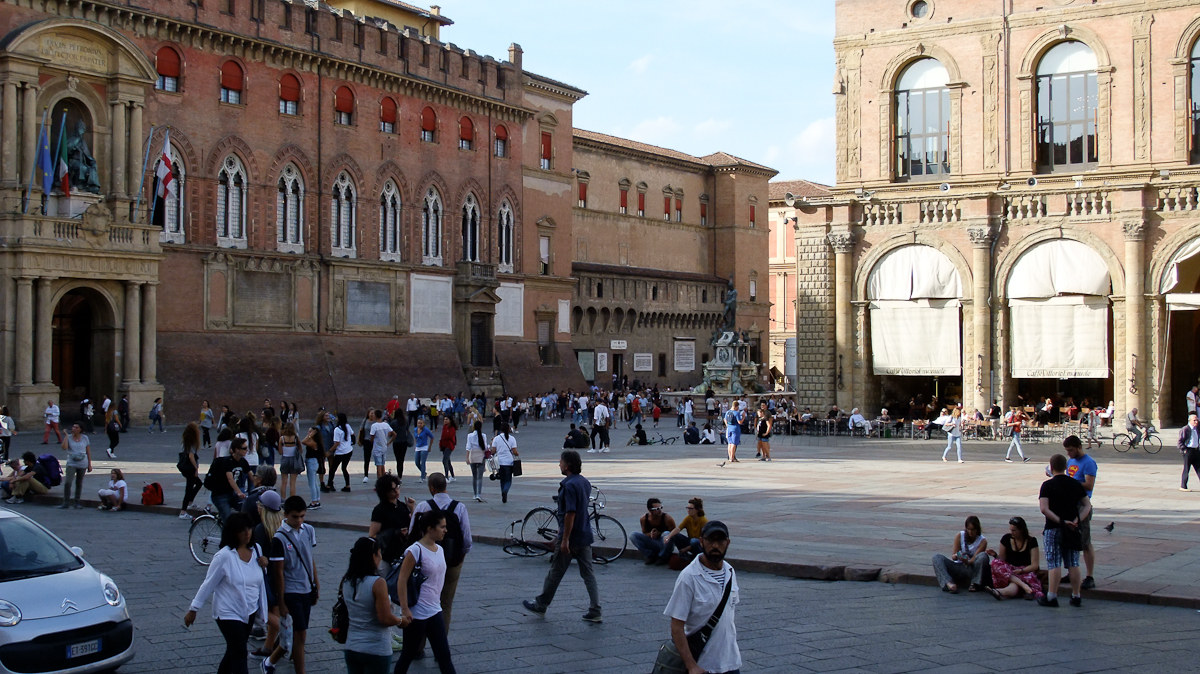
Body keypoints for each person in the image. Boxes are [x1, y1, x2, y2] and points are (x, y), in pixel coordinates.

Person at [522, 450, 601, 622]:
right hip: (585, 535)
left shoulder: (568, 485)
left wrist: (564, 539)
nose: (559, 464)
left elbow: (570, 513)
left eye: (561, 461)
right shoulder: (584, 482)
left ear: (567, 465)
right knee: (588, 574)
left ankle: (541, 604)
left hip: (571, 537)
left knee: (555, 572)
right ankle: (595, 609)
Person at [185, 512, 266, 674]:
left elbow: (258, 581)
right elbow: (208, 584)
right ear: (233, 532)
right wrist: (193, 609)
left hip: (249, 610)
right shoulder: (224, 556)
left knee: (233, 650)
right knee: (240, 652)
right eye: (242, 530)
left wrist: (265, 565)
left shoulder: (257, 550)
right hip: (227, 612)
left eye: (249, 529)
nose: (247, 533)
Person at [663, 520, 741, 674]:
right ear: (701, 542)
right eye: (710, 540)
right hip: (702, 666)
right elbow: (676, 626)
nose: (715, 546)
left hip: (731, 663)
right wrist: (691, 666)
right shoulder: (689, 577)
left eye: (720, 541)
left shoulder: (730, 571)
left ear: (728, 543)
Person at [394, 511, 457, 674]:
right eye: (442, 527)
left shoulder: (440, 549)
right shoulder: (415, 550)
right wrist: (405, 609)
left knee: (444, 655)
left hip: (435, 609)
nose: (445, 530)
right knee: (408, 654)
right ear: (430, 528)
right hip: (417, 612)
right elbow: (402, 580)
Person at [409, 473, 471, 631]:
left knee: (422, 601)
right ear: (446, 486)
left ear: (431, 488)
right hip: (452, 561)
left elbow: (412, 534)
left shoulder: (423, 506)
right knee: (446, 603)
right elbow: (467, 539)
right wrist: (461, 557)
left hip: (426, 562)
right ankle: (441, 639)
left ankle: (420, 641)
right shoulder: (459, 507)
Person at [264, 496, 318, 674]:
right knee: (300, 633)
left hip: (306, 588)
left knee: (298, 634)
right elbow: (278, 572)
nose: (299, 520)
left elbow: (310, 559)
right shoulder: (279, 538)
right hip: (291, 591)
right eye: (295, 516)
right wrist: (281, 602)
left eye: (302, 516)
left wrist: (315, 584)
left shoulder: (308, 530)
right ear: (285, 515)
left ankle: (270, 661)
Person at [339, 537, 403, 674]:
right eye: (379, 553)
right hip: (376, 648)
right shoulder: (378, 583)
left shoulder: (346, 581)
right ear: (373, 556)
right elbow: (384, 618)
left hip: (352, 646)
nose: (381, 557)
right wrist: (401, 620)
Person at [1038, 453, 1092, 607]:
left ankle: (1052, 596)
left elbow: (1044, 508)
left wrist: (1060, 521)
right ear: (1066, 467)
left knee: (1054, 563)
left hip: (1053, 527)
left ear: (1051, 467)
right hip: (1072, 529)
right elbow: (1087, 505)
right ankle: (1076, 595)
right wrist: (1077, 520)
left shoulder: (1047, 485)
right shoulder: (1075, 484)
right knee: (1073, 562)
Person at [1064, 434, 1099, 590]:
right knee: (1069, 541)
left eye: (1071, 450)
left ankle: (1090, 576)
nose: (1069, 453)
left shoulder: (1088, 463)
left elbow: (1089, 485)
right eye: (1067, 451)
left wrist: (1071, 482)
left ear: (1079, 447)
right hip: (1070, 504)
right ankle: (1072, 570)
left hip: (1082, 505)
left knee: (1085, 541)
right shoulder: (1070, 461)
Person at [986, 516, 1043, 600]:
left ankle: (999, 592)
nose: (1012, 533)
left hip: (1024, 572)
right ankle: (1024, 586)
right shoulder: (1006, 539)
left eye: (1014, 530)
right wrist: (995, 555)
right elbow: (1002, 560)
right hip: (1010, 571)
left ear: (1021, 530)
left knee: (1014, 584)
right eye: (1011, 530)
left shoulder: (1031, 541)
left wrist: (1022, 570)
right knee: (995, 562)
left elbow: (1034, 565)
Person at [931, 515, 990, 593]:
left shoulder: (982, 541)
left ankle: (975, 583)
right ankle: (949, 584)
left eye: (973, 530)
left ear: (977, 529)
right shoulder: (960, 535)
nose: (970, 532)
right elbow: (954, 555)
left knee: (983, 556)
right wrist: (957, 556)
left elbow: (974, 559)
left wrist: (967, 561)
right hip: (957, 566)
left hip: (971, 569)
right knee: (937, 557)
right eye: (968, 529)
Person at [367, 474, 413, 563]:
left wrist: (412, 509)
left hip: (404, 552)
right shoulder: (379, 510)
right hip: (387, 555)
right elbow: (372, 535)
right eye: (392, 490)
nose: (396, 491)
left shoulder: (402, 506)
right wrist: (395, 533)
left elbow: (413, 525)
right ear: (385, 492)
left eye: (397, 487)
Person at [210, 438, 251, 523]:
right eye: (244, 448)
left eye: (247, 448)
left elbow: (252, 476)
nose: (246, 450)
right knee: (228, 520)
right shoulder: (227, 462)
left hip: (232, 494)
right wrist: (239, 492)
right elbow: (230, 478)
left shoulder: (243, 461)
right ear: (237, 450)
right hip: (220, 495)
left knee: (247, 510)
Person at [630, 498, 677, 565]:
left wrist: (660, 534)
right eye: (657, 509)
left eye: (661, 507)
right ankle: (650, 555)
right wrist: (650, 534)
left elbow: (674, 533)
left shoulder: (667, 518)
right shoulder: (644, 519)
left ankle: (662, 557)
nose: (660, 510)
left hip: (664, 543)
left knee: (667, 533)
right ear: (650, 510)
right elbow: (644, 532)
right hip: (653, 542)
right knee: (633, 535)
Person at [661, 497, 708, 562]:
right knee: (674, 535)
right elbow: (678, 528)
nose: (688, 510)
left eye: (691, 508)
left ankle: (696, 557)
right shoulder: (688, 518)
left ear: (697, 510)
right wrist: (668, 537)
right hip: (691, 542)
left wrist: (686, 549)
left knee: (694, 541)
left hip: (699, 545)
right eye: (687, 508)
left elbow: (703, 541)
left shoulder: (703, 521)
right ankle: (665, 556)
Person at [59, 422, 92, 509]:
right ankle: (66, 502)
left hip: (82, 462)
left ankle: (77, 502)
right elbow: (64, 447)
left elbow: (88, 451)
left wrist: (89, 464)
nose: (74, 428)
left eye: (76, 427)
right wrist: (66, 436)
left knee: (79, 483)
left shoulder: (85, 438)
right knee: (68, 482)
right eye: (73, 427)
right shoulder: (69, 437)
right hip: (71, 462)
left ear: (80, 429)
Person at [179, 422, 204, 518]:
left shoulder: (184, 441)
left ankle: (190, 502)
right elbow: (191, 456)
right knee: (189, 488)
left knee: (197, 483)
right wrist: (196, 468)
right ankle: (183, 511)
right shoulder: (192, 442)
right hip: (190, 468)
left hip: (184, 467)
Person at [490, 422, 518, 503]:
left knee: (502, 479)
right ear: (509, 429)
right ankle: (505, 491)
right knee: (508, 480)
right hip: (509, 462)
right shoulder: (512, 438)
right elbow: (515, 451)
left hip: (499, 462)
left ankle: (503, 491)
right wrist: (517, 454)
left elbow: (493, 451)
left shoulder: (496, 438)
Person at [327, 412, 355, 492]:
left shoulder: (337, 429)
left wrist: (330, 451)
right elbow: (353, 434)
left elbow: (337, 443)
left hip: (340, 452)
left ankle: (329, 485)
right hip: (349, 450)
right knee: (344, 468)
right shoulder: (347, 426)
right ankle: (347, 485)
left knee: (333, 469)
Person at [299, 421, 324, 509]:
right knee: (315, 482)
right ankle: (317, 500)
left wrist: (310, 435)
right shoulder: (317, 442)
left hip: (311, 462)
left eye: (310, 431)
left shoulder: (313, 442)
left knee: (312, 483)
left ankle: (314, 502)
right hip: (314, 462)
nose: (308, 433)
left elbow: (303, 441)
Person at [367, 409, 395, 482]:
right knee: (382, 464)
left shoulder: (374, 426)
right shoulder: (386, 424)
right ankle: (384, 480)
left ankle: (380, 481)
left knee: (378, 465)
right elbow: (394, 434)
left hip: (377, 447)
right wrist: (389, 442)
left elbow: (372, 437)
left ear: (375, 416)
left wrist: (371, 441)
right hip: (384, 447)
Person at [277, 422, 303, 500]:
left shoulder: (282, 438)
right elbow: (301, 450)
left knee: (284, 482)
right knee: (293, 483)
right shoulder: (296, 437)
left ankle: (283, 500)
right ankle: (292, 500)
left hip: (285, 459)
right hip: (294, 460)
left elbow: (280, 452)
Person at [464, 420, 488, 502]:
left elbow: (468, 447)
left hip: (473, 455)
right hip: (481, 456)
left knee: (474, 476)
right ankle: (479, 494)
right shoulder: (483, 435)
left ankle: (474, 494)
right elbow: (485, 447)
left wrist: (467, 458)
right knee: (480, 477)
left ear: (474, 427)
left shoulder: (470, 435)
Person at [1179, 413, 1200, 491]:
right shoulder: (1185, 429)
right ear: (1189, 421)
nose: (1196, 422)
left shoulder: (1197, 429)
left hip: (1196, 450)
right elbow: (1180, 441)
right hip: (1188, 451)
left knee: (1199, 468)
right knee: (1186, 468)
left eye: (1197, 420)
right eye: (1194, 420)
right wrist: (1184, 449)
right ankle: (1183, 486)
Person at [412, 416, 434, 483]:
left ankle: (422, 477)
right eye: (418, 423)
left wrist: (430, 447)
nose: (419, 424)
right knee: (417, 462)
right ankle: (423, 472)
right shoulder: (415, 429)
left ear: (423, 423)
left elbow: (432, 437)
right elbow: (415, 437)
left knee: (423, 462)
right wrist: (416, 444)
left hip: (424, 447)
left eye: (421, 423)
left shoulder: (426, 430)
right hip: (418, 447)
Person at [438, 416, 457, 482]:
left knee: (444, 460)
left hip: (449, 445)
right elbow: (442, 436)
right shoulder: (444, 427)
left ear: (450, 420)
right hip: (444, 445)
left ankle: (446, 477)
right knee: (448, 461)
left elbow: (449, 436)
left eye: (447, 419)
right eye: (444, 419)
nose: (445, 420)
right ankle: (453, 476)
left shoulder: (452, 428)